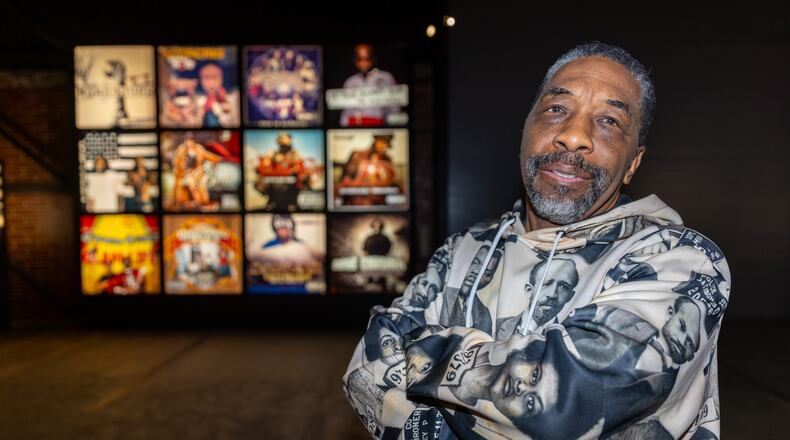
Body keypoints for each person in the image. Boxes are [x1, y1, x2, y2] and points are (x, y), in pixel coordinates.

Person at [344, 42, 731, 439]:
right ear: (525, 129)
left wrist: (421, 356)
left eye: (610, 121)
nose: (574, 135)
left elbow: (569, 402)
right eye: (556, 109)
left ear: (633, 163)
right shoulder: (462, 250)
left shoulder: (682, 260)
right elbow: (364, 367)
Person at [340, 44, 400, 127]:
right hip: (355, 126)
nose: (364, 63)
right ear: (355, 61)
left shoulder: (385, 77)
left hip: (379, 125)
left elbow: (394, 107)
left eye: (367, 59)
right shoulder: (350, 81)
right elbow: (346, 111)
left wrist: (394, 126)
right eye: (360, 59)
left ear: (373, 59)